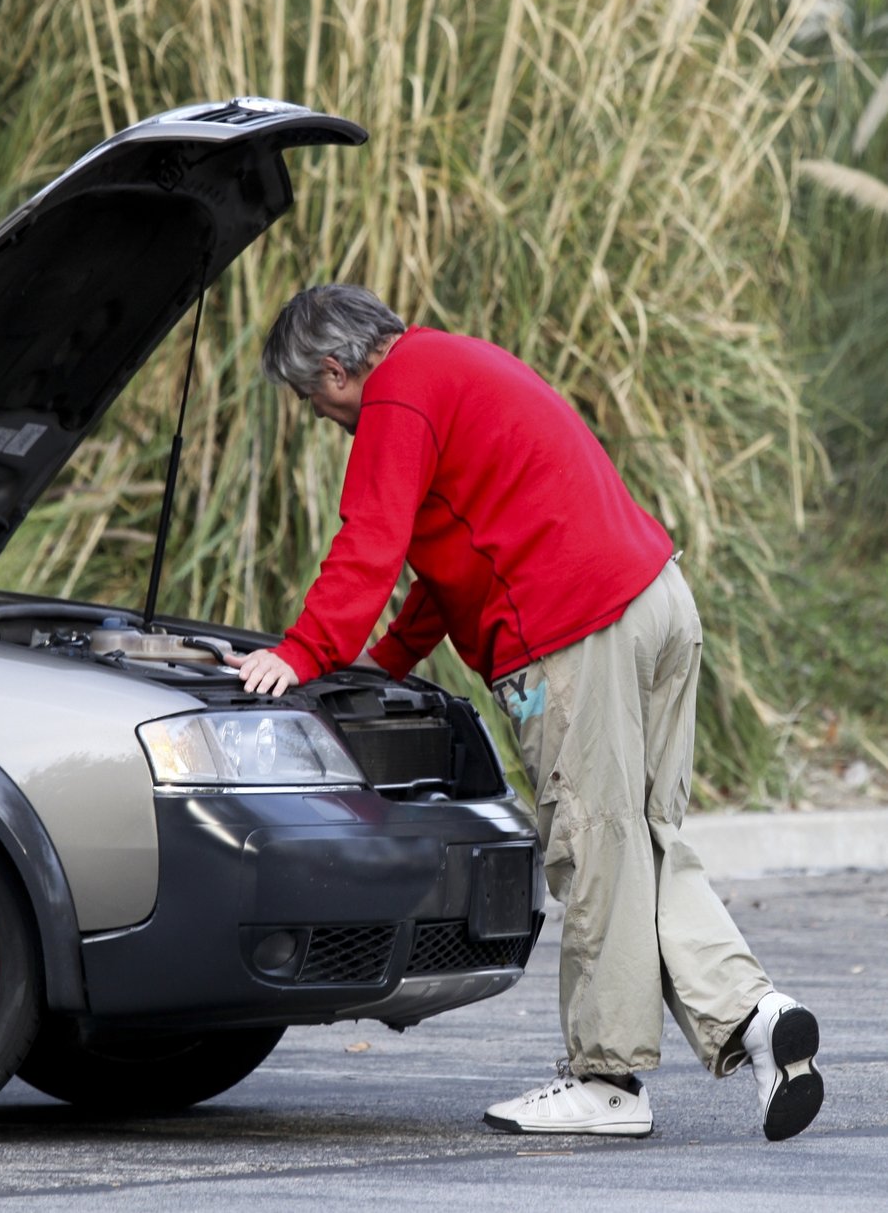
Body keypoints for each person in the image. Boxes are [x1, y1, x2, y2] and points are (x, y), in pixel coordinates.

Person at [226, 283, 824, 1141]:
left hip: (577, 631)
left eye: (309, 396)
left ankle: (607, 1080)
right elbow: (454, 553)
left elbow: (370, 540)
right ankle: (756, 1018)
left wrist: (299, 653)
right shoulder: (455, 365)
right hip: (657, 600)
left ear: (333, 366)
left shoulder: (395, 393)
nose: (317, 413)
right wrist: (384, 664)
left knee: (591, 845)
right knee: (641, 840)